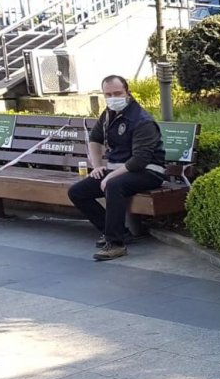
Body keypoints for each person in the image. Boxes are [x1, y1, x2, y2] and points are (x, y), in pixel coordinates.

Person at [68, 75, 166, 261]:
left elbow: (140, 160)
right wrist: (97, 167)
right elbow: (95, 139)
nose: (113, 98)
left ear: (127, 92)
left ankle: (116, 244)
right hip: (118, 171)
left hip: (148, 172)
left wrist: (109, 177)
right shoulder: (108, 114)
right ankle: (117, 231)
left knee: (114, 185)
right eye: (108, 94)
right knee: (77, 191)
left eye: (117, 93)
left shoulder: (142, 120)